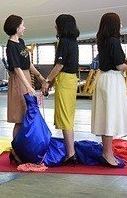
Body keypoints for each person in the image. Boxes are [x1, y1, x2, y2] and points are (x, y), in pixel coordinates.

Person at [91, 12, 127, 168]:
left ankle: (106, 152)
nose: (121, 25)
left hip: (104, 78)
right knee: (109, 116)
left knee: (105, 115)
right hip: (112, 80)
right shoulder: (114, 41)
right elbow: (119, 65)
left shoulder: (103, 40)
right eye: (119, 22)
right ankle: (107, 154)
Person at [4, 14, 46, 161]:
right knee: (19, 118)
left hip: (26, 77)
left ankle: (24, 149)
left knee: (27, 116)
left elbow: (27, 63)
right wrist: (28, 86)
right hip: (18, 81)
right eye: (22, 25)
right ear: (16, 28)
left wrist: (39, 76)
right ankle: (16, 152)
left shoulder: (21, 42)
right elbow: (17, 68)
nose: (24, 28)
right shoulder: (10, 46)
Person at [42, 14, 80, 165]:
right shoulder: (74, 41)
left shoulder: (63, 41)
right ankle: (71, 152)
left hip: (64, 80)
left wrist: (47, 81)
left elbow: (59, 65)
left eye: (56, 24)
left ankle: (70, 154)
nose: (55, 27)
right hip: (72, 79)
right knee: (68, 115)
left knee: (64, 116)